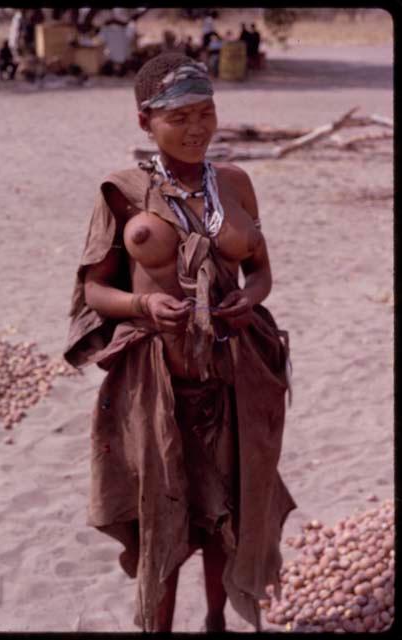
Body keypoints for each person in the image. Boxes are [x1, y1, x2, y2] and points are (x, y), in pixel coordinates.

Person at [64, 52, 295, 633]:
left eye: (206, 113)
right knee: (159, 524)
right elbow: (94, 290)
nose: (196, 129)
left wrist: (254, 297)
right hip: (156, 388)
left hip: (236, 380)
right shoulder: (123, 193)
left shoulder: (236, 184)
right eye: (179, 117)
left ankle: (217, 620)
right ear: (146, 121)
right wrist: (143, 305)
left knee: (229, 516)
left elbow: (261, 270)